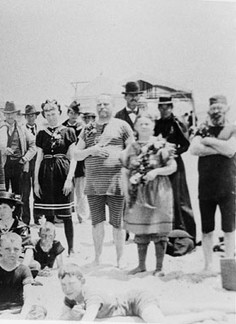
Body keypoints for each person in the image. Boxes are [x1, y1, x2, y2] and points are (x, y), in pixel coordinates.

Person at [74, 94, 134, 268]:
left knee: (118, 222)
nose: (102, 107)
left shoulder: (122, 126)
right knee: (97, 222)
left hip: (116, 182)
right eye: (99, 104)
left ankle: (119, 258)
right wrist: (91, 150)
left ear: (113, 105)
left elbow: (133, 147)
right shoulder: (88, 128)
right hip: (94, 183)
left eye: (106, 103)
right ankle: (98, 257)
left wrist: (122, 155)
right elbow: (76, 154)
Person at [58, 264, 229, 323]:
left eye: (71, 283)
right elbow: (61, 318)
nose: (67, 288)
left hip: (137, 300)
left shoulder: (91, 295)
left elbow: (87, 320)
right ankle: (226, 308)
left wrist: (76, 317)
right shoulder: (71, 297)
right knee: (188, 308)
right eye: (63, 284)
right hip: (133, 301)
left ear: (82, 282)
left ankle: (208, 315)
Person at [121, 114, 177, 277]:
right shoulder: (131, 148)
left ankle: (159, 267)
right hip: (138, 192)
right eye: (141, 123)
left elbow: (173, 166)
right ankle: (141, 265)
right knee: (140, 229)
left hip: (159, 190)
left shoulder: (161, 145)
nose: (144, 126)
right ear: (136, 127)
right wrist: (127, 191)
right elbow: (124, 169)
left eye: (147, 123)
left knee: (159, 230)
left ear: (153, 126)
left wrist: (156, 171)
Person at [190, 101, 236, 273]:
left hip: (228, 185)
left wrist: (208, 141)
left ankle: (229, 263)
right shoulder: (201, 128)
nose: (216, 111)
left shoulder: (232, 128)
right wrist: (220, 148)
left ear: (226, 109)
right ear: (209, 111)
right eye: (213, 108)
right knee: (207, 228)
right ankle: (208, 265)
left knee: (229, 228)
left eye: (220, 108)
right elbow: (194, 149)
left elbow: (231, 149)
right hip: (206, 186)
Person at [34, 100, 77, 255]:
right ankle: (50, 249)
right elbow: (38, 159)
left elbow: (73, 158)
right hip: (45, 176)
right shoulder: (41, 134)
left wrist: (69, 179)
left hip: (62, 174)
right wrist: (36, 182)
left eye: (53, 113)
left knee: (66, 215)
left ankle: (71, 248)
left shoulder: (68, 131)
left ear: (59, 113)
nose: (51, 117)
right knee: (49, 215)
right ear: (44, 115)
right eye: (48, 114)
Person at [154, 96, 197, 248]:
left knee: (179, 198)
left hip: (175, 164)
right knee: (164, 198)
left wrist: (173, 152)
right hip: (160, 164)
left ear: (171, 107)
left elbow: (186, 144)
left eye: (167, 107)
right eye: (161, 107)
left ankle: (187, 232)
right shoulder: (156, 124)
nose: (164, 110)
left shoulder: (176, 122)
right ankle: (167, 233)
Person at [0, 232, 34, 319]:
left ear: (21, 250)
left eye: (16, 249)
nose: (12, 252)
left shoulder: (24, 270)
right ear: (0, 250)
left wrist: (22, 317)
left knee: (39, 312)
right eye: (7, 249)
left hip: (18, 311)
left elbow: (28, 298)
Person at [0, 102, 36, 198]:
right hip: (4, 165)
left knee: (18, 195)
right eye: (7, 113)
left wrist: (25, 158)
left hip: (18, 165)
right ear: (4, 114)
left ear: (16, 114)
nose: (10, 116)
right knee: (3, 194)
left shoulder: (22, 128)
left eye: (12, 113)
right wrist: (3, 150)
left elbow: (33, 145)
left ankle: (17, 213)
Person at [62, 101, 89, 223]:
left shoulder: (83, 128)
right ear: (68, 113)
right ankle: (63, 215)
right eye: (71, 113)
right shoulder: (62, 127)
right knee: (65, 189)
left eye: (76, 113)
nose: (73, 116)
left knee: (81, 192)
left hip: (79, 164)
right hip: (66, 163)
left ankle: (82, 216)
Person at [21, 104, 41, 225]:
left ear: (36, 116)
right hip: (27, 163)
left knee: (37, 191)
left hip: (38, 163)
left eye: (32, 115)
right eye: (28, 115)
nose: (30, 118)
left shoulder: (41, 129)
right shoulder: (22, 129)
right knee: (25, 192)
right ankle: (26, 218)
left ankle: (38, 217)